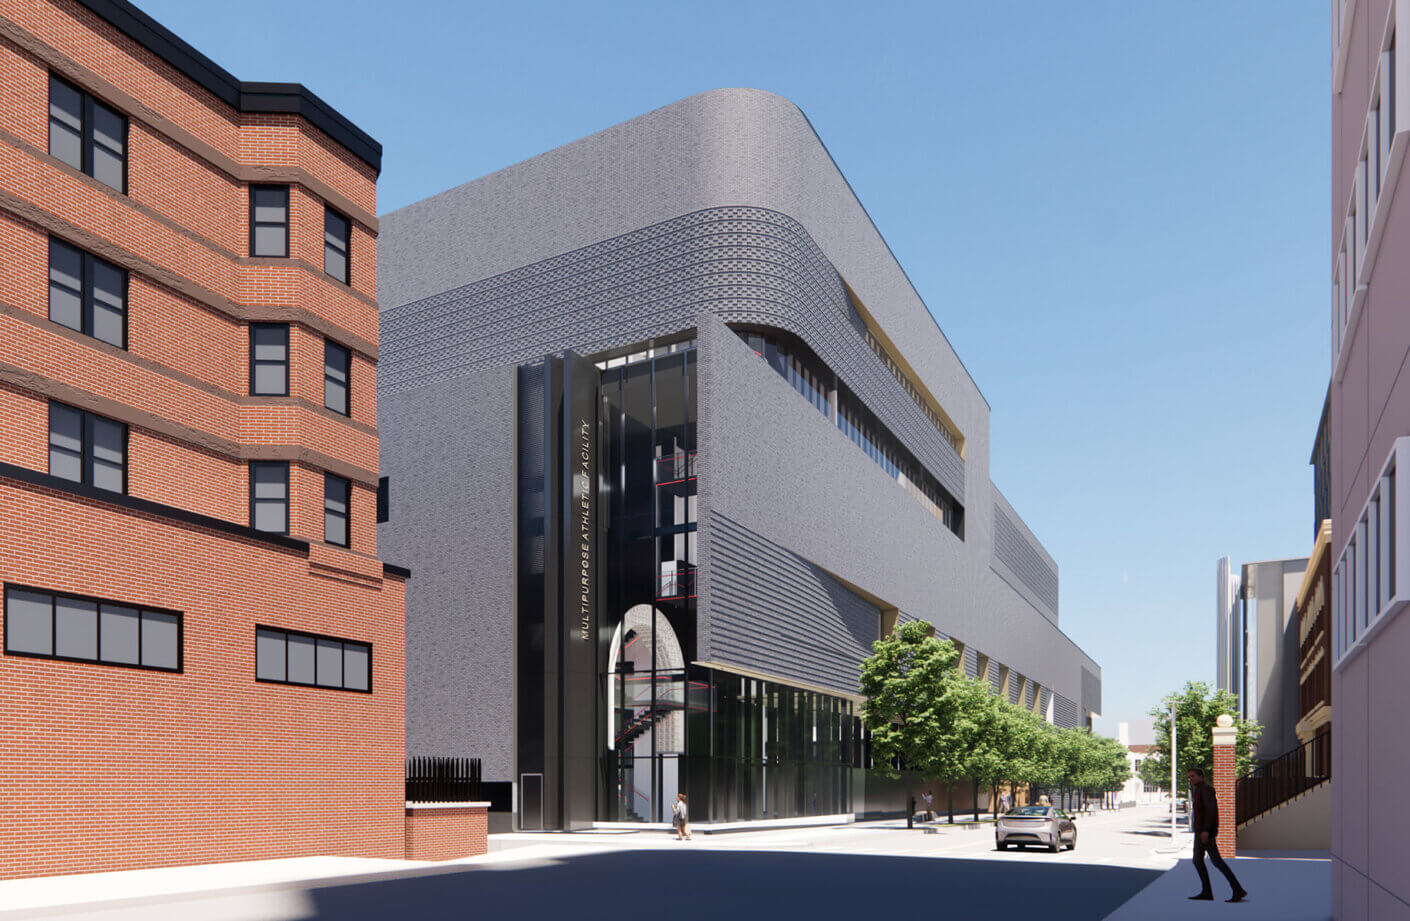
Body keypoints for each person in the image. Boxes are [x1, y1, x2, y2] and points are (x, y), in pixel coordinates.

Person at [1187, 767, 1247, 903]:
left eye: (1193, 776)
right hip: (1200, 832)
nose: (1191, 779)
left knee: (1216, 861)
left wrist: (1206, 830)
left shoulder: (1205, 790)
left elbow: (1211, 811)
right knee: (1200, 860)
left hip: (1204, 832)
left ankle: (1237, 889)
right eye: (1189, 777)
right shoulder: (1199, 790)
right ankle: (1208, 891)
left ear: (1201, 776)